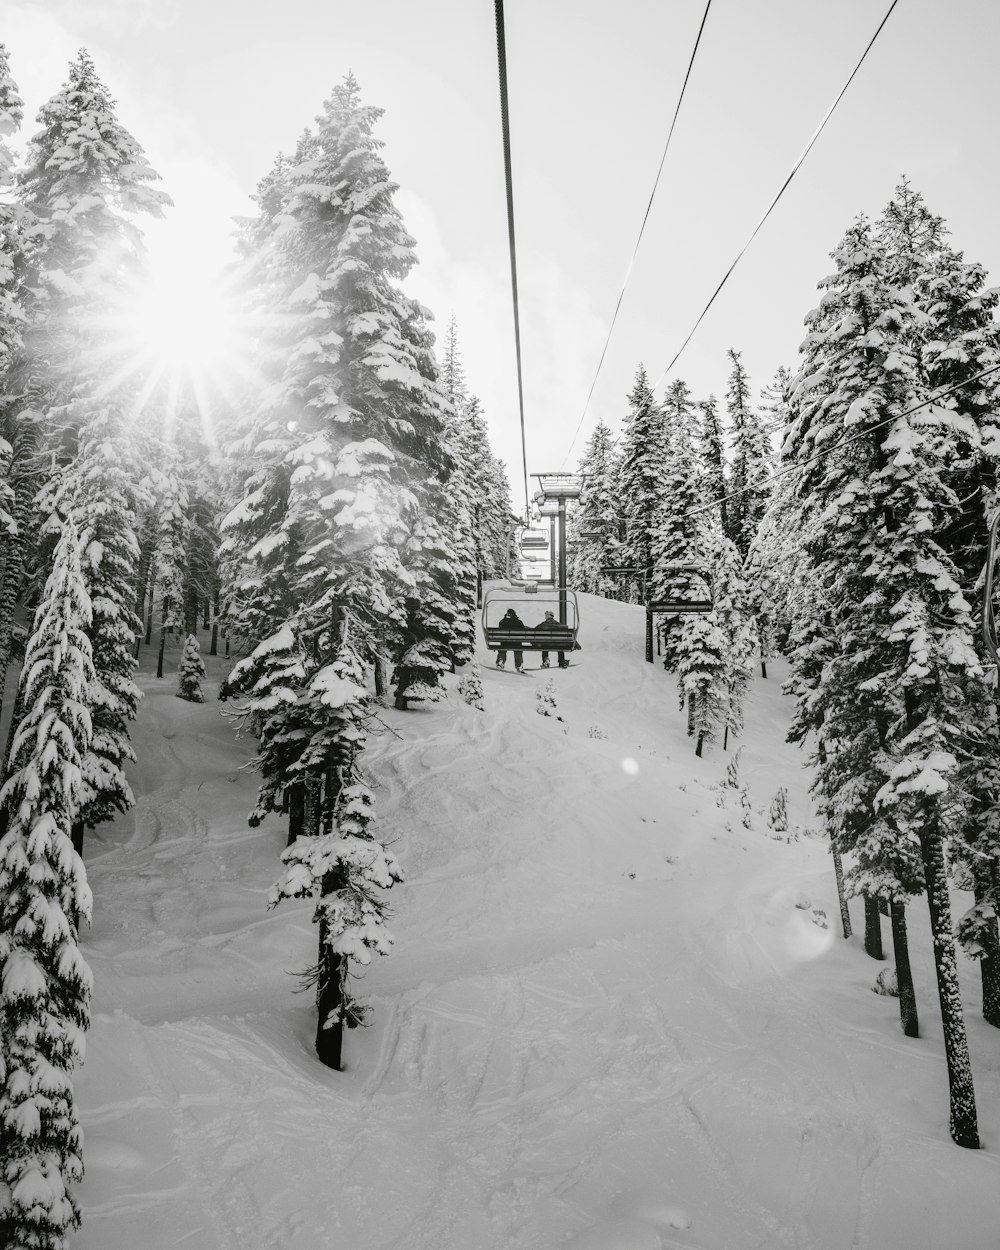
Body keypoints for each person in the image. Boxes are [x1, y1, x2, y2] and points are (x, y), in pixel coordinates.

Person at [496, 607, 526, 673]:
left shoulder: (502, 622)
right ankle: (519, 665)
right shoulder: (519, 622)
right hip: (516, 643)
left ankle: (500, 661)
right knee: (518, 649)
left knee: (503, 647)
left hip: (505, 643)